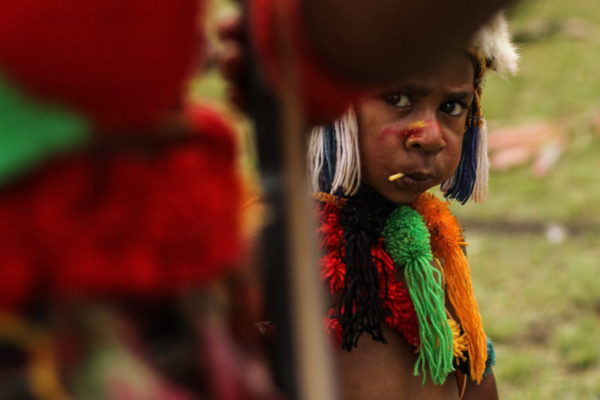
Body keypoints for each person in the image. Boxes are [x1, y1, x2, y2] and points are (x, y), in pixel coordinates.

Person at [307, 12, 518, 400]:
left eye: (452, 107)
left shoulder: (434, 240)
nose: (430, 137)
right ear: (335, 102)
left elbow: (472, 374)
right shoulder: (288, 248)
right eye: (398, 99)